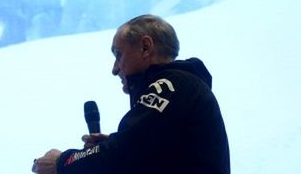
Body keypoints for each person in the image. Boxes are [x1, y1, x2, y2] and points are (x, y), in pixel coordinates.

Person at [32, 14, 230, 174]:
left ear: (145, 47)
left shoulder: (171, 85)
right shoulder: (182, 89)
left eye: (119, 54)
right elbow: (139, 155)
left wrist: (61, 163)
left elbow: (122, 154)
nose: (115, 69)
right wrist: (112, 144)